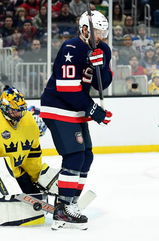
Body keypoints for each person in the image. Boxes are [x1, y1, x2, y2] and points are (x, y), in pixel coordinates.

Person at [40, 10, 112, 230]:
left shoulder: (103, 48)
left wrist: (99, 67)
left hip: (75, 108)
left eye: (103, 32)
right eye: (97, 32)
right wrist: (92, 108)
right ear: (84, 29)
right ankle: (63, 208)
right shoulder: (71, 48)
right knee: (74, 155)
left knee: (86, 156)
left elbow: (102, 85)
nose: (101, 36)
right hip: (58, 107)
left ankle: (70, 202)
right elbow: (66, 88)